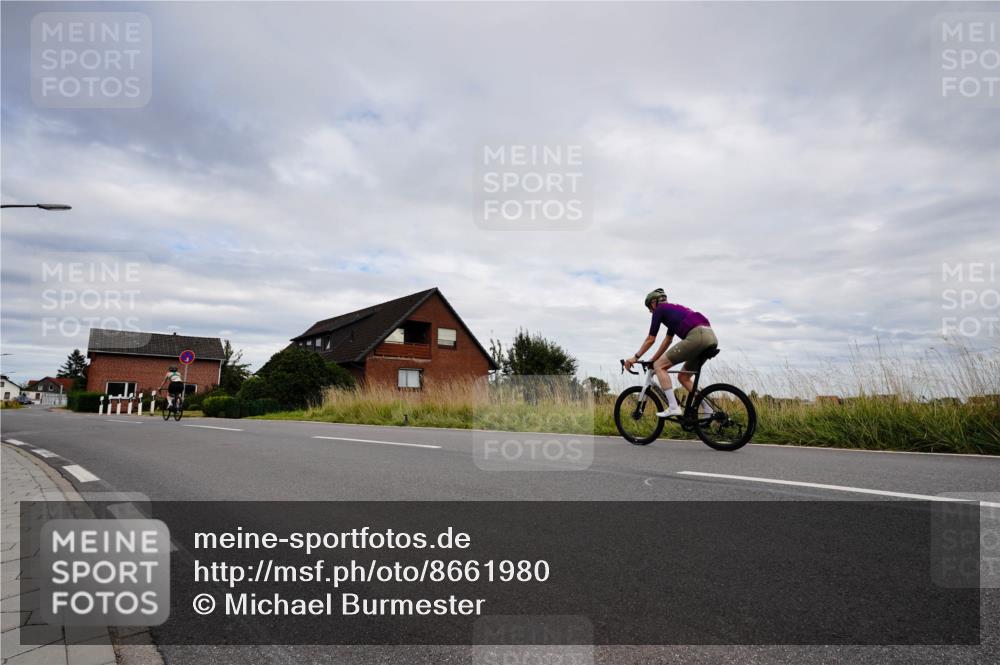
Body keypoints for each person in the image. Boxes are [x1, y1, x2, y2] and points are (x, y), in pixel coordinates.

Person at [624, 289, 717, 417]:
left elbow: (651, 339)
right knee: (683, 377)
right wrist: (653, 359)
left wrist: (635, 357)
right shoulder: (673, 311)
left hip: (697, 335)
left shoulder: (659, 310)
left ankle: (673, 407)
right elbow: (668, 341)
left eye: (649, 307)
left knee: (660, 367)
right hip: (710, 336)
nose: (650, 311)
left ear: (653, 303)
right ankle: (708, 410)